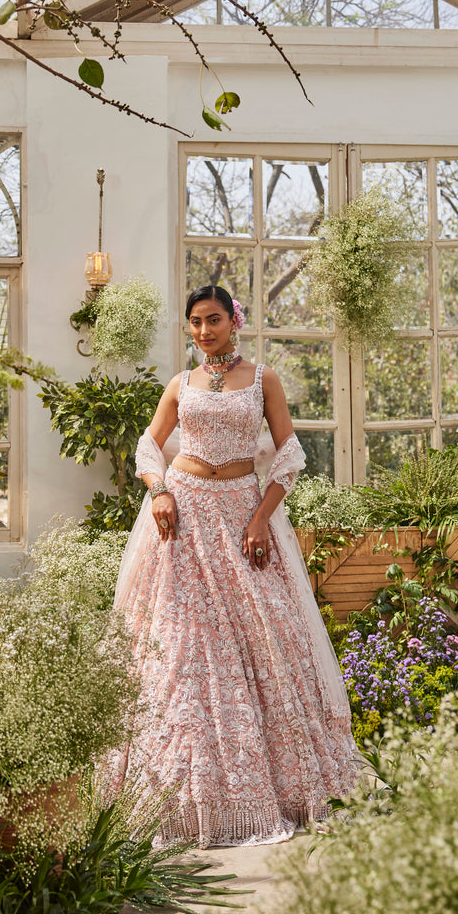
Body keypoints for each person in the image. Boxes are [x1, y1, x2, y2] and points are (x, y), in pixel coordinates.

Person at [110, 285, 359, 847]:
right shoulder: (181, 384)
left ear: (234, 321)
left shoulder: (264, 378)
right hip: (185, 516)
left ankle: (278, 787)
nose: (204, 331)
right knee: (180, 645)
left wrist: (259, 520)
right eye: (195, 321)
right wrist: (159, 493)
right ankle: (181, 792)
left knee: (266, 638)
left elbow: (290, 453)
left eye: (213, 320)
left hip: (242, 514)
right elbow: (149, 447)